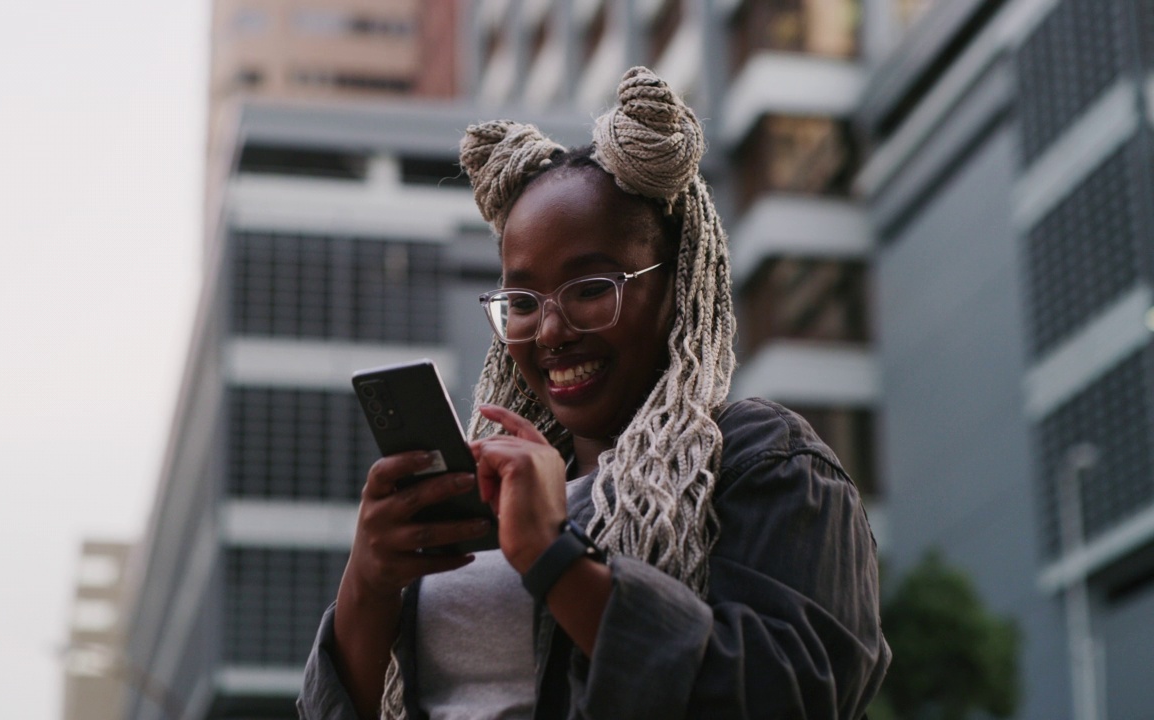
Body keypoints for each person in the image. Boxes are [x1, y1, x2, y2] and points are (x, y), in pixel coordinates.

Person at [299, 67, 890, 720]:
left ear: (678, 284)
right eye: (522, 301)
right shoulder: (486, 490)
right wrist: (369, 582)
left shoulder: (761, 458)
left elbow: (795, 697)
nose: (551, 331)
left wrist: (555, 556)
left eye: (590, 289)